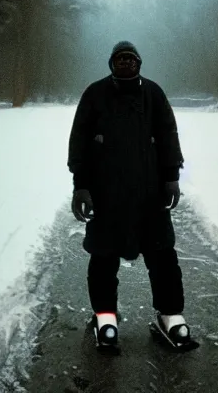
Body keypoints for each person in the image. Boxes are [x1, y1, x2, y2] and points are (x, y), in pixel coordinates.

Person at [67, 40, 190, 347]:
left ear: (139, 63)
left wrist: (172, 177)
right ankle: (105, 316)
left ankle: (171, 315)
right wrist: (80, 185)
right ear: (111, 64)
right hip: (106, 194)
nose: (125, 62)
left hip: (150, 194)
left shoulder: (153, 94)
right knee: (104, 256)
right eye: (119, 58)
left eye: (130, 58)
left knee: (162, 255)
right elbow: (79, 139)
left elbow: (167, 134)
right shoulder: (94, 94)